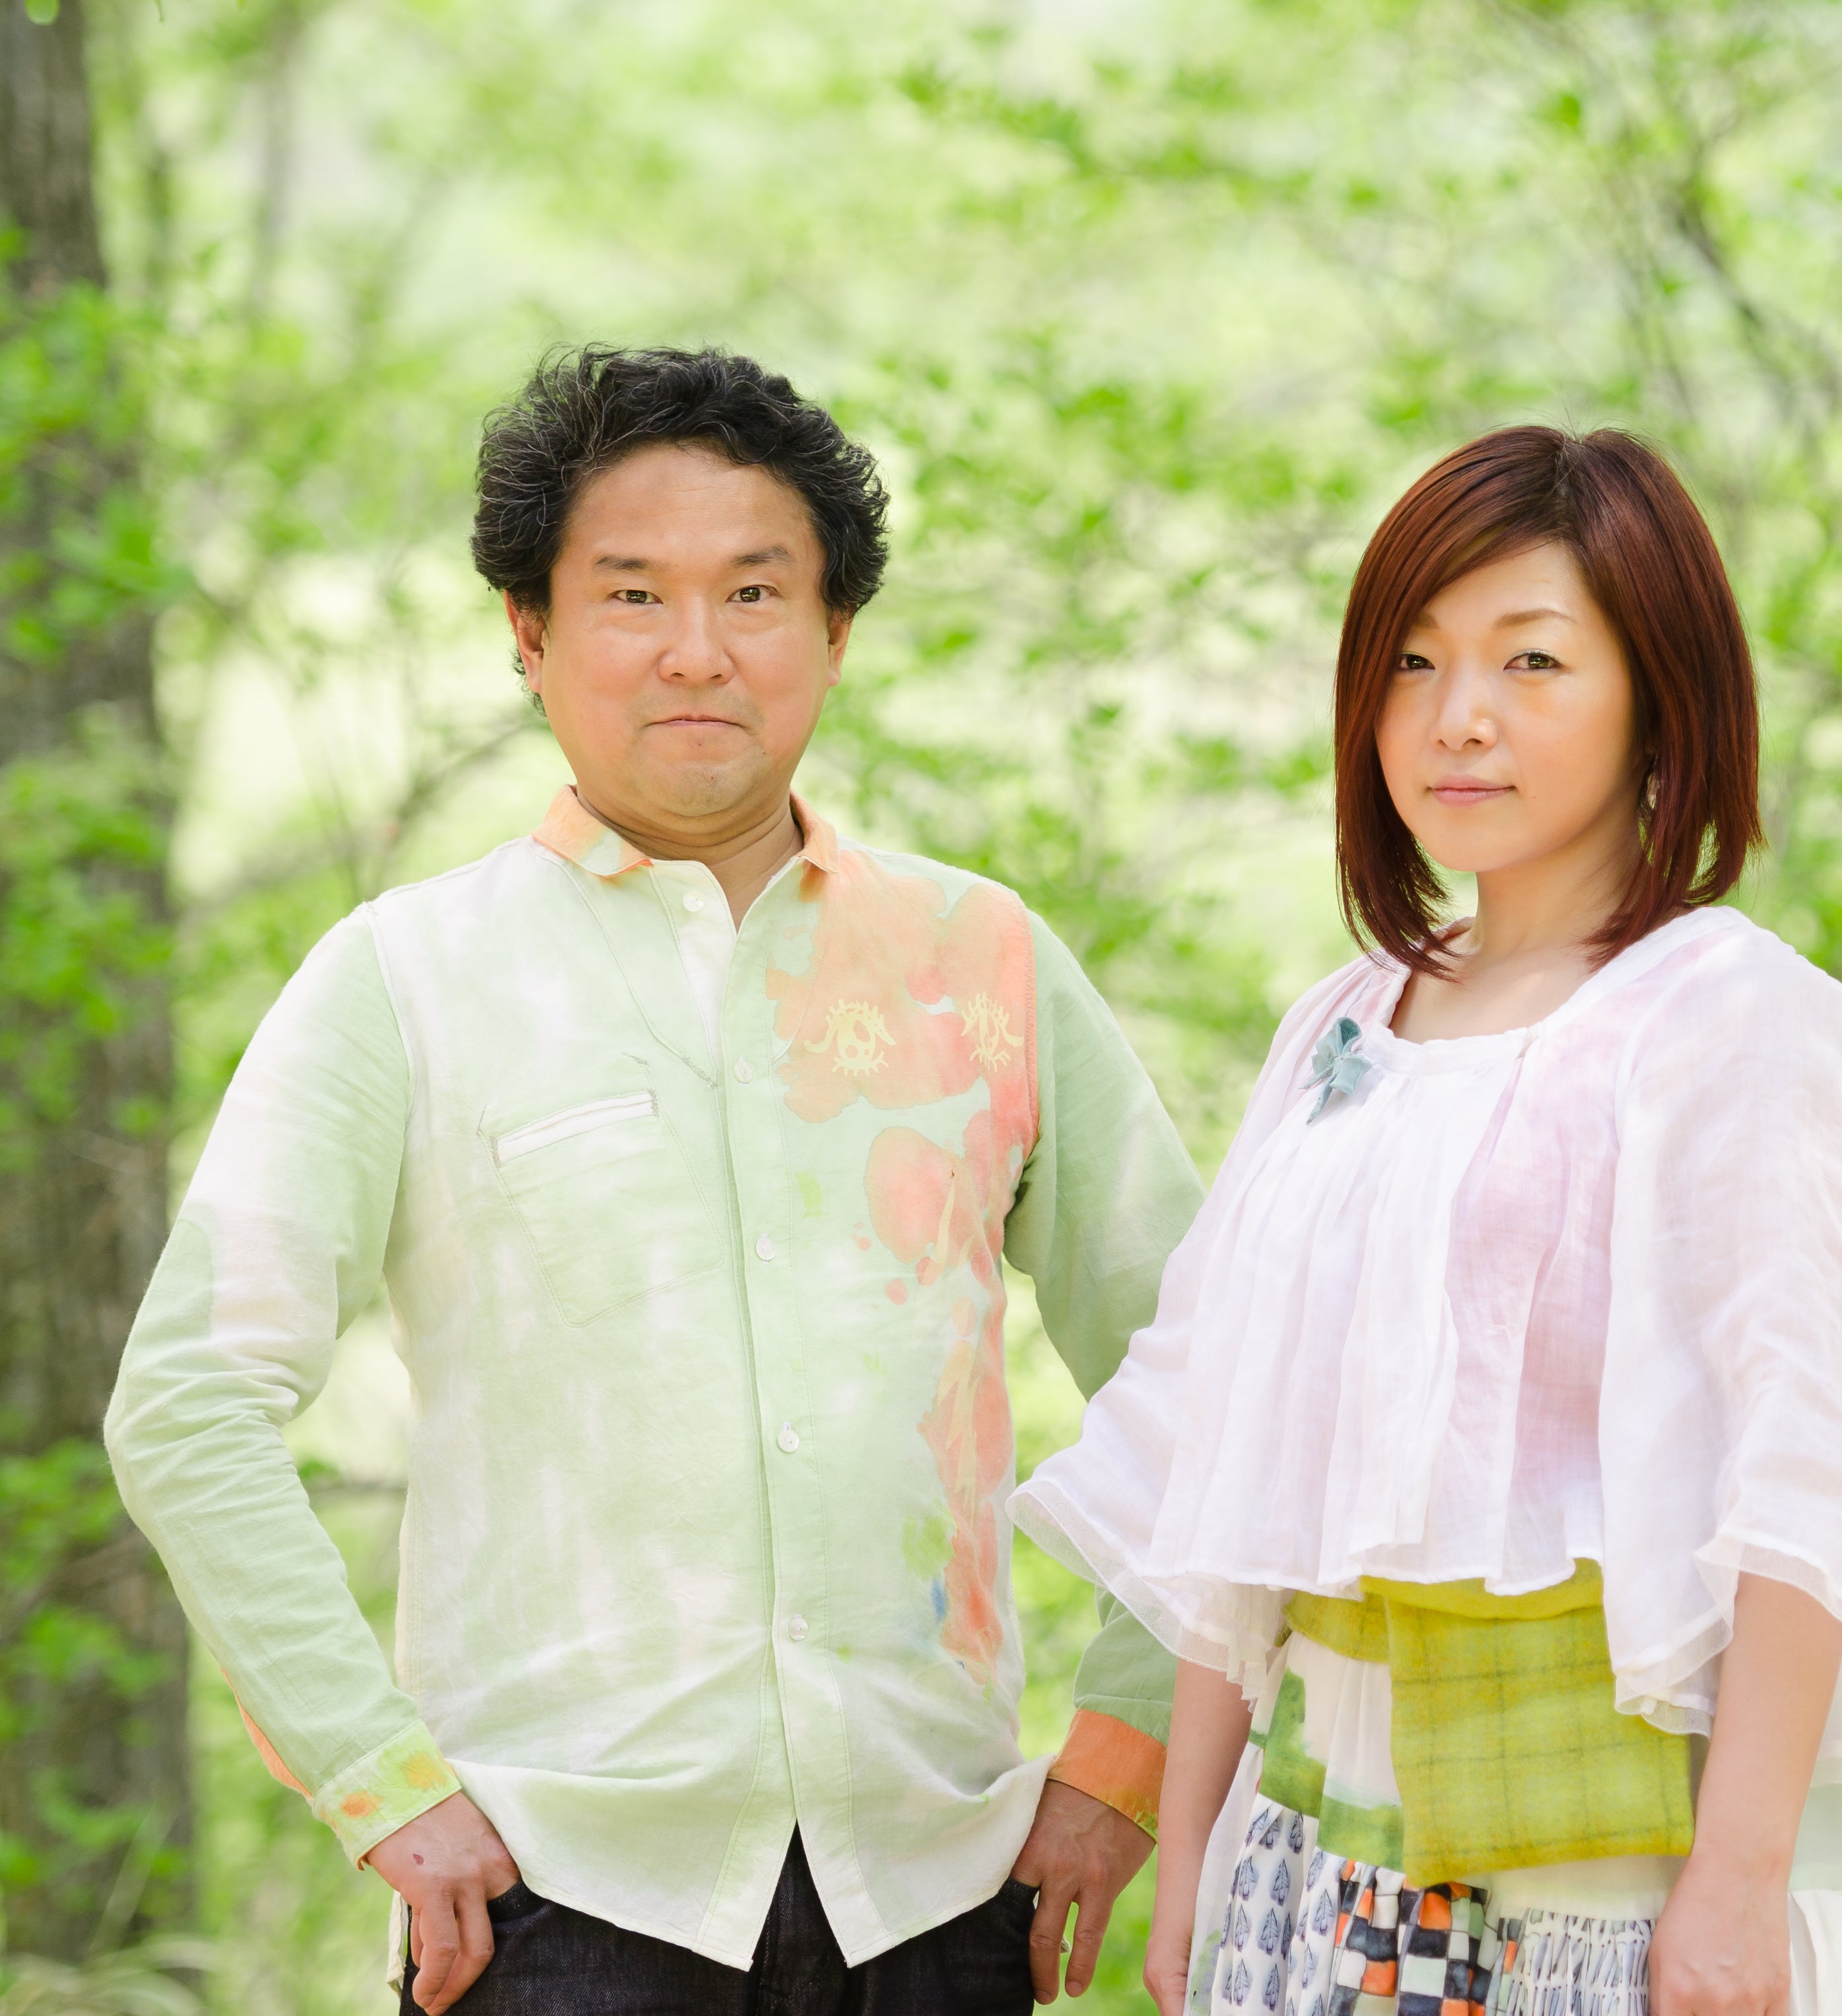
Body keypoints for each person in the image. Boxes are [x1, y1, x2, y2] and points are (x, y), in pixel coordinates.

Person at [106, 347, 1202, 2015]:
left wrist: (1122, 1753)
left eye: (755, 592)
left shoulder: (980, 959)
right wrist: (376, 1781)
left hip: (939, 1893)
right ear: (528, 633)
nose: (698, 650)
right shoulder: (405, 976)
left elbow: (1213, 1374)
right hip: (556, 1902)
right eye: (631, 594)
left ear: (835, 630)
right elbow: (191, 1400)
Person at [1012, 425, 1842, 2016]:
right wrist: (1191, 1863)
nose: (1456, 716)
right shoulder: (1340, 1028)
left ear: (1659, 693)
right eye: (1412, 661)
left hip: (1638, 1889)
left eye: (1531, 661)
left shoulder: (1735, 1022)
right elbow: (1223, 1476)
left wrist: (1736, 1892)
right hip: (1320, 1878)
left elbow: (1809, 1483)